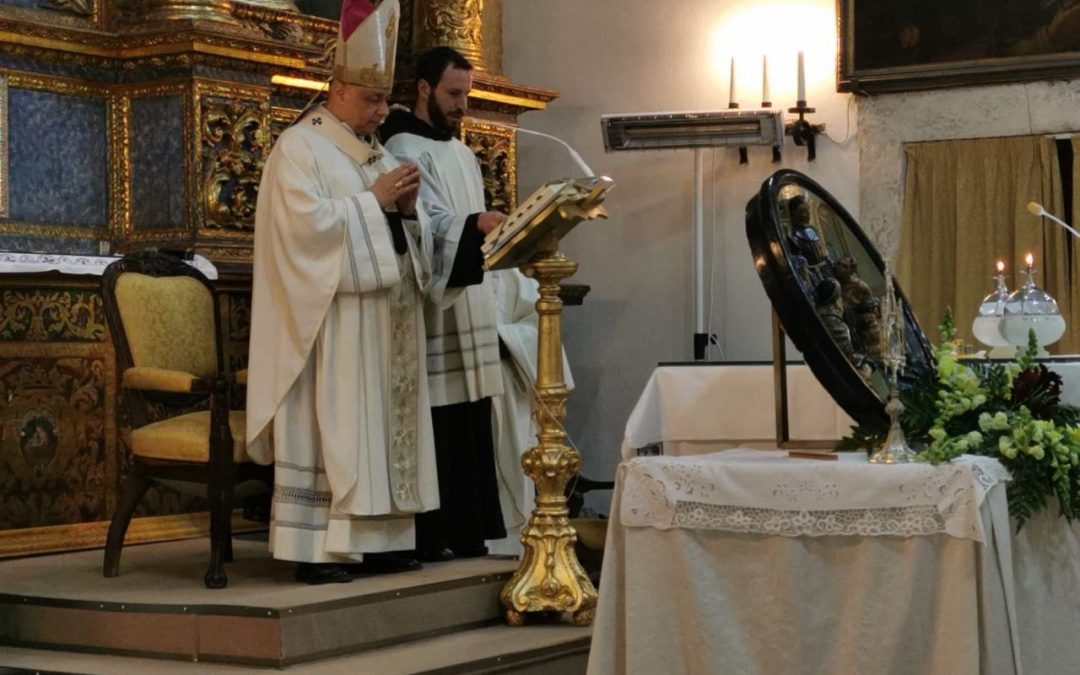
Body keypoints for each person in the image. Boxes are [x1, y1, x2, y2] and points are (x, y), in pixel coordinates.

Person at [246, 0, 475, 585]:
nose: (383, 111)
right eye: (371, 99)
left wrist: (405, 213)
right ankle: (321, 547)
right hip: (334, 326)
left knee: (389, 431)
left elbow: (409, 238)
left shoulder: (372, 149)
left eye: (384, 99)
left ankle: (385, 538)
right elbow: (302, 233)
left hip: (387, 321)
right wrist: (373, 204)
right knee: (341, 430)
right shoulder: (300, 149)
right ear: (337, 87)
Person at [380, 46, 510, 561]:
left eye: (466, 95)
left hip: (468, 302)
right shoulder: (402, 146)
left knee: (470, 413)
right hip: (433, 310)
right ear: (423, 88)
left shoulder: (459, 152)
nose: (461, 106)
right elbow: (423, 227)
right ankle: (434, 536)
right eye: (453, 94)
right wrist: (473, 226)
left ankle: (469, 529)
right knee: (441, 418)